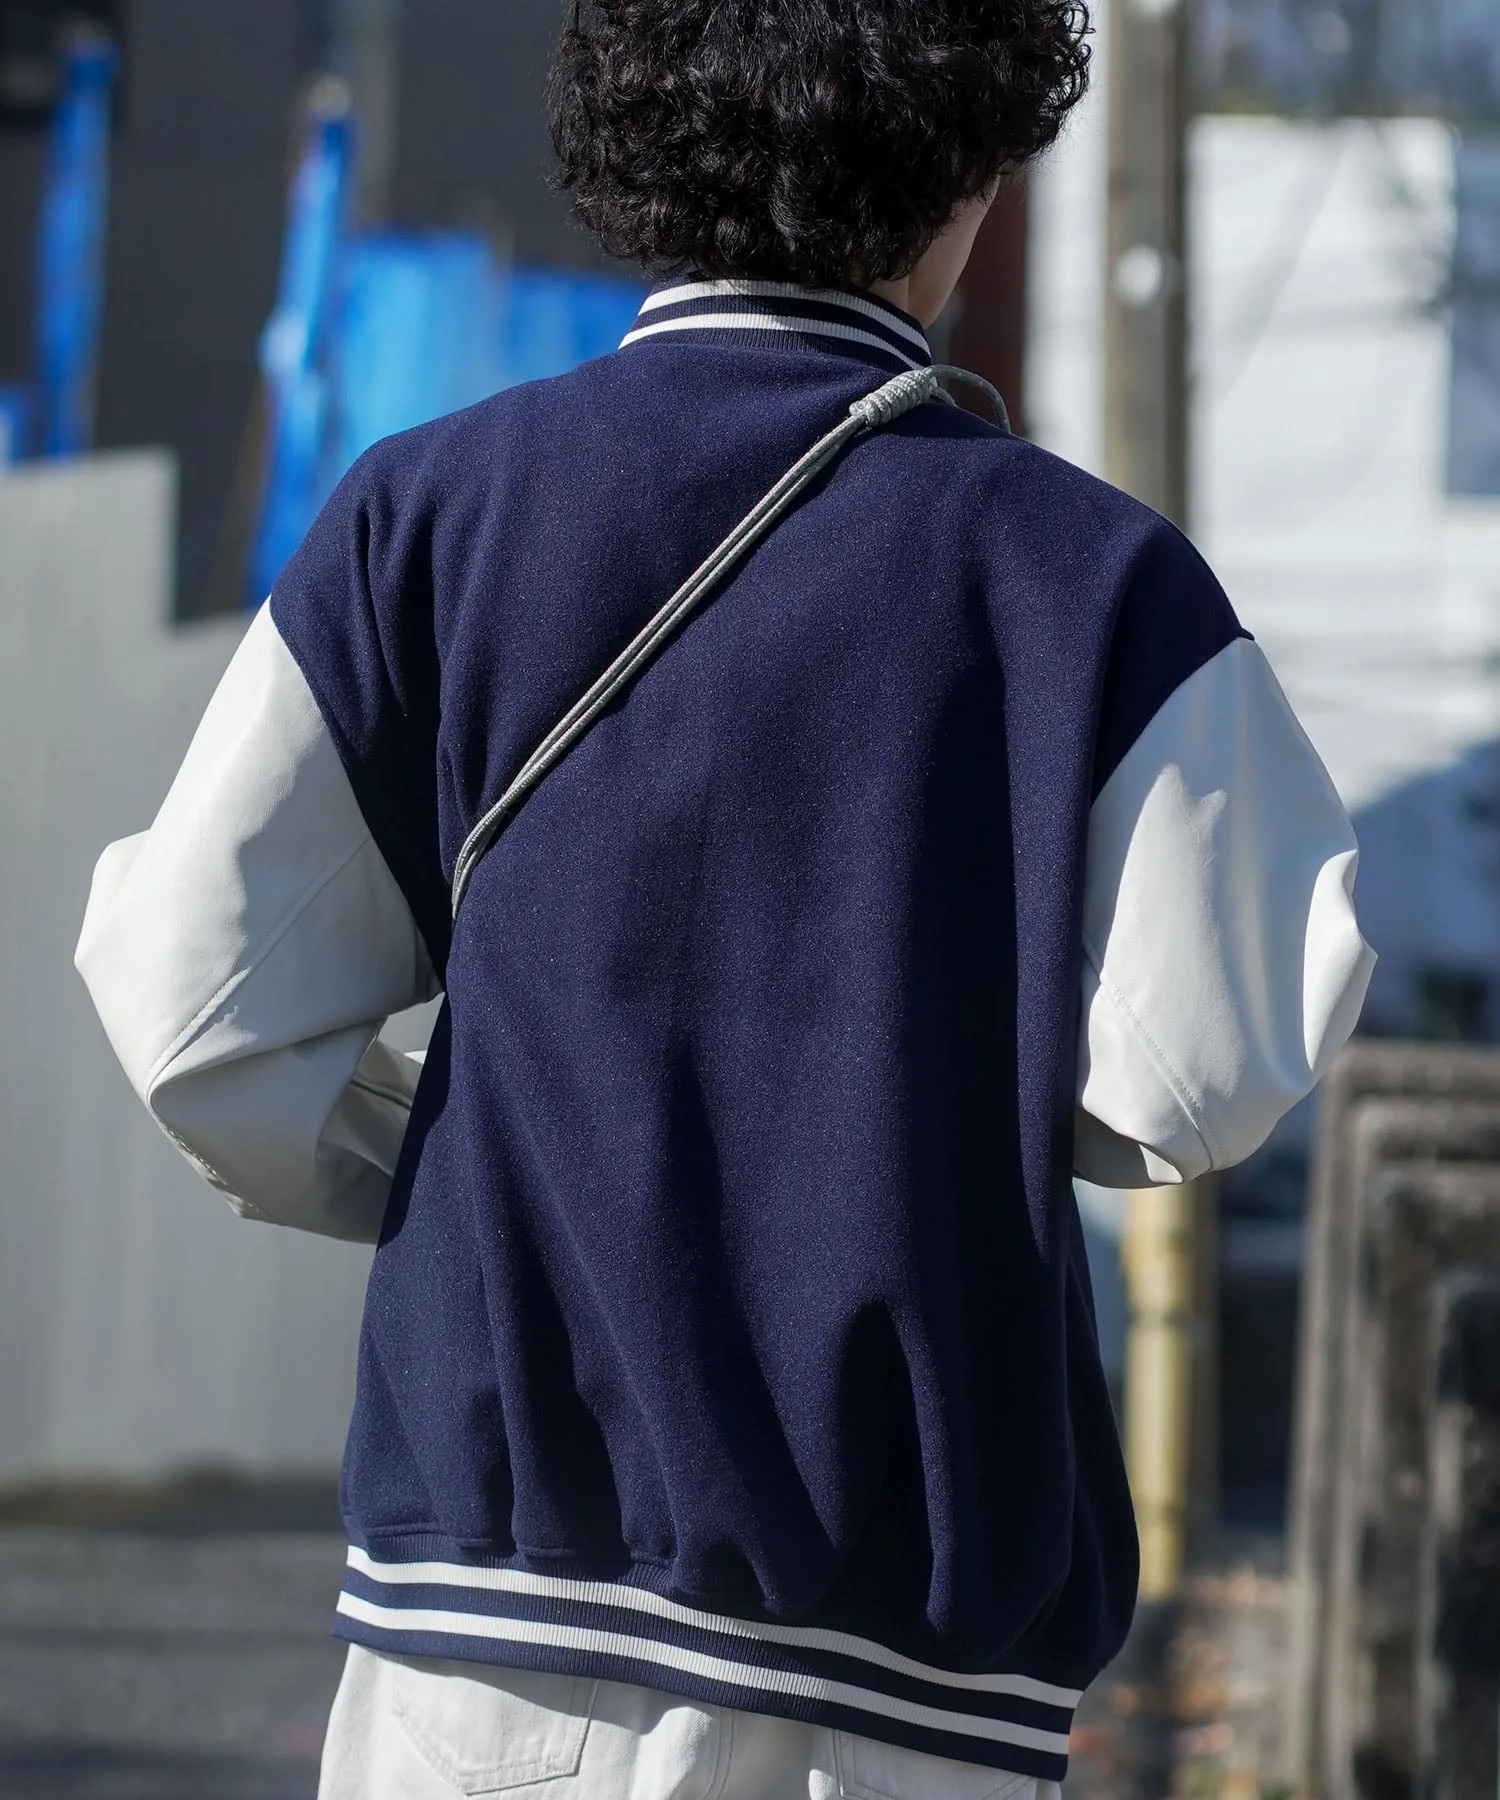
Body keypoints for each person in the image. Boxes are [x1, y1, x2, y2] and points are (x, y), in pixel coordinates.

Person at [75, 1, 1375, 1795]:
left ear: (633, 141)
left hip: (483, 1641)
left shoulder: (425, 520)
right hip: (906, 1684)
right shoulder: (1102, 586)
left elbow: (198, 1010)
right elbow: (1207, 1070)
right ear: (972, 165)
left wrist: (468, 1172)